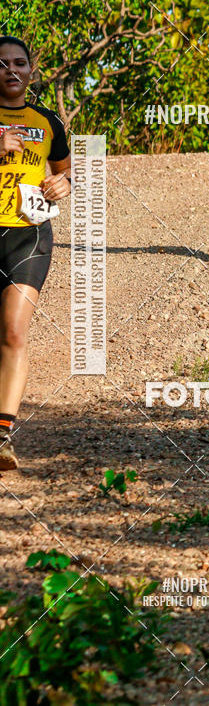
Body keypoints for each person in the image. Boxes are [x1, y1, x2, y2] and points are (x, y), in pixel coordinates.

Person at [0, 36, 71, 471]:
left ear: (31, 70)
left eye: (19, 63)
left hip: (28, 234)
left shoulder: (47, 121)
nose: (11, 70)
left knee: (12, 333)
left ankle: (2, 436)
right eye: (2, 63)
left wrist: (64, 185)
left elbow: (65, 172)